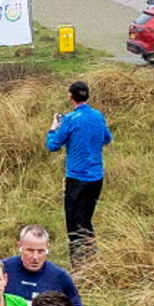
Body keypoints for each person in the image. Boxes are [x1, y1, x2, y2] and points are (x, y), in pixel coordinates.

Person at [43, 80, 111, 258]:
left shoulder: (70, 120)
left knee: (73, 223)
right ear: (88, 96)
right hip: (96, 177)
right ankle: (92, 256)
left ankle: (78, 262)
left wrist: (53, 128)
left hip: (77, 178)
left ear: (70, 97)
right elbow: (107, 138)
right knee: (86, 219)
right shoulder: (98, 116)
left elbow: (53, 145)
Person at [1, 222, 85, 306]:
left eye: (40, 251)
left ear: (47, 248)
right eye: (30, 251)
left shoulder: (59, 277)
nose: (35, 257)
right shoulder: (2, 269)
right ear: (20, 247)